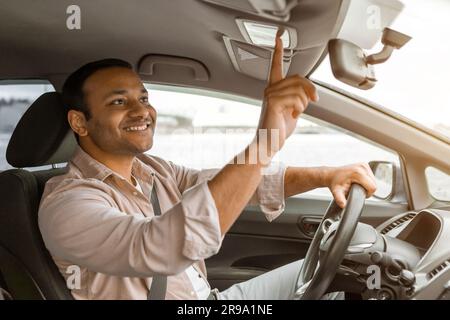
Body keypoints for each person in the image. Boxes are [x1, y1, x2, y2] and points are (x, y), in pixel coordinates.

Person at [38, 32, 376, 300]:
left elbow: (234, 183)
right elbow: (159, 247)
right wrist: (263, 144)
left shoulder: (152, 170)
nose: (141, 111)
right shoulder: (67, 204)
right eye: (118, 102)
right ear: (79, 123)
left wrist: (326, 175)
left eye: (143, 98)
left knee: (344, 274)